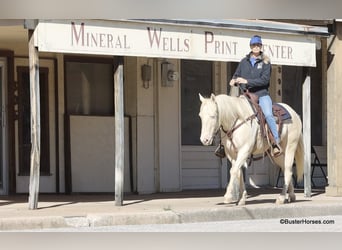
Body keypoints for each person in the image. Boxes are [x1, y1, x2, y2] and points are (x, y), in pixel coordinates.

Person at [229, 35, 282, 157]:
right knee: (232, 114)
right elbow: (236, 75)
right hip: (246, 96)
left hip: (261, 94)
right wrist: (233, 80)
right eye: (254, 45)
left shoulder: (266, 62)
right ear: (250, 47)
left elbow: (264, 80)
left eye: (258, 45)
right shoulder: (244, 62)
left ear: (261, 46)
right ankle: (225, 144)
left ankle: (275, 142)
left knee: (268, 114)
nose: (256, 47)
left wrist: (246, 81)